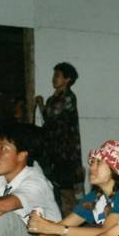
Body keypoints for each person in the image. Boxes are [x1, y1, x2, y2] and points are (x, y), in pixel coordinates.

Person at [36, 62, 83, 214]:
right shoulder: (53, 98)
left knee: (65, 187)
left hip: (65, 149)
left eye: (58, 75)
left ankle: (80, 214)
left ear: (68, 79)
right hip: (52, 147)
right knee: (57, 185)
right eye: (54, 75)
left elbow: (51, 114)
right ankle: (68, 220)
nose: (54, 78)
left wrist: (42, 104)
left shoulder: (69, 97)